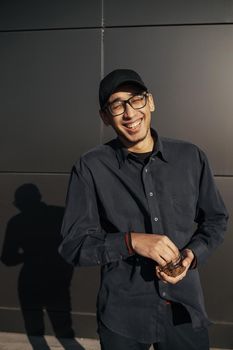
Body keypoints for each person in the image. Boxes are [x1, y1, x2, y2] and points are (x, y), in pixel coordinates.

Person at [59, 69, 228, 350]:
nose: (129, 113)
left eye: (135, 100)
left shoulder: (191, 156)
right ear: (105, 117)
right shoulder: (90, 167)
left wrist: (191, 255)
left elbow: (216, 219)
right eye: (117, 105)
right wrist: (132, 241)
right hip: (122, 314)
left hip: (183, 307)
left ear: (150, 102)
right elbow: (74, 245)